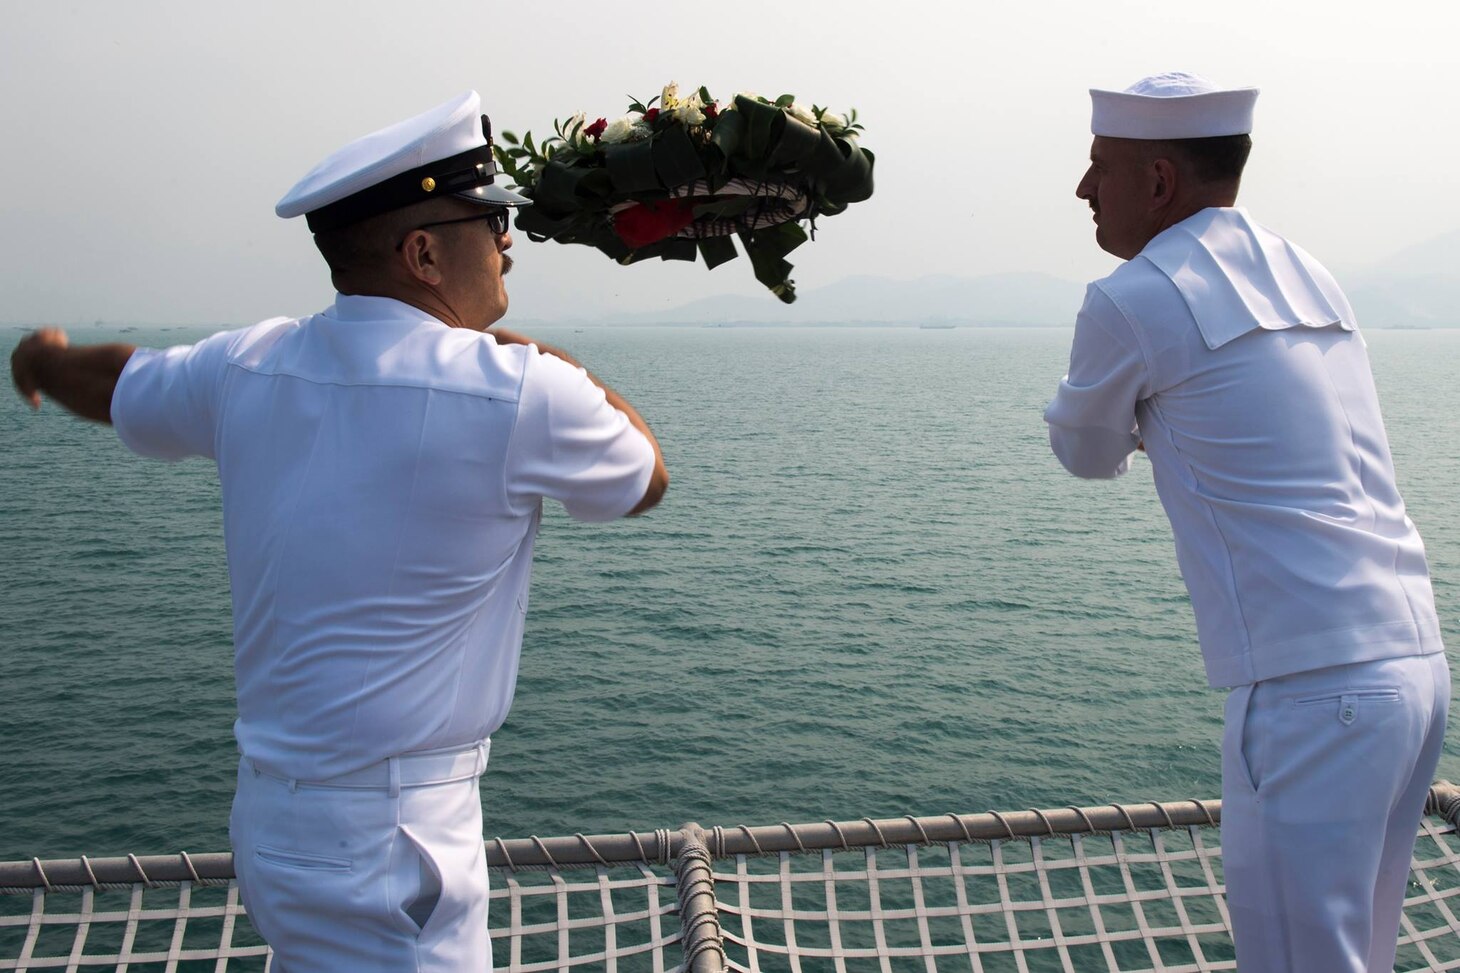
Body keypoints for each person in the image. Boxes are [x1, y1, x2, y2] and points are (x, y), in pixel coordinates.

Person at [10, 90, 668, 973]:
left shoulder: (247, 363)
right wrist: (531, 352)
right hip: (399, 844)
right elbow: (642, 477)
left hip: (274, 826)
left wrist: (42, 358)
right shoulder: (511, 391)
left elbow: (126, 382)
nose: (509, 242)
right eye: (489, 223)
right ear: (425, 252)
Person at [1044, 72, 1448, 972]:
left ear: (1157, 181)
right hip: (1412, 672)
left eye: (1097, 166)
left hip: (1314, 695)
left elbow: (1084, 452)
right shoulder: (1313, 273)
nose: (1081, 188)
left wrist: (1149, 424)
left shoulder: (1135, 297)